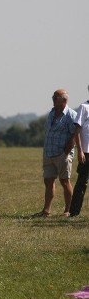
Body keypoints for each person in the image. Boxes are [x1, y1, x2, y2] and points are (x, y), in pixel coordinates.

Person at [32, 89, 77, 217]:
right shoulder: (51, 113)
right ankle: (46, 211)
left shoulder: (71, 115)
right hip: (48, 153)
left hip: (62, 154)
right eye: (53, 97)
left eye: (55, 97)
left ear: (64, 100)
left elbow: (74, 135)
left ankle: (68, 210)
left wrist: (65, 153)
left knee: (65, 181)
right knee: (48, 181)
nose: (52, 99)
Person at [69, 85, 89, 217]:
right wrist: (80, 151)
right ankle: (74, 212)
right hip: (86, 152)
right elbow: (76, 131)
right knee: (82, 181)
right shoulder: (84, 107)